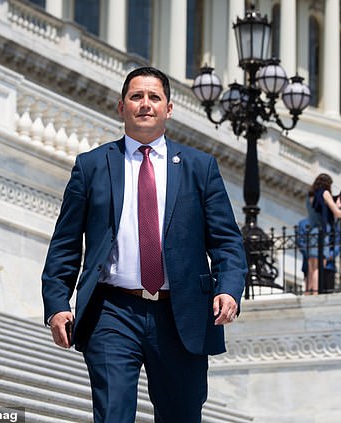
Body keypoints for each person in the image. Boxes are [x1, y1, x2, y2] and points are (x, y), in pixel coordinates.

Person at [41, 66, 247, 423]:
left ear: (169, 109)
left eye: (155, 97)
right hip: (112, 311)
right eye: (136, 97)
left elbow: (227, 241)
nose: (145, 105)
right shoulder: (91, 167)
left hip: (181, 314)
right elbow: (66, 243)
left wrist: (229, 289)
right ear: (121, 107)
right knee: (113, 415)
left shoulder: (201, 168)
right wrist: (57, 303)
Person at [305, 173, 341, 295]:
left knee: (311, 267)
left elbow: (319, 208)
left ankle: (308, 293)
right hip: (322, 233)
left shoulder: (310, 196)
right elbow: (336, 212)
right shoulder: (325, 193)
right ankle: (315, 293)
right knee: (319, 266)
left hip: (312, 231)